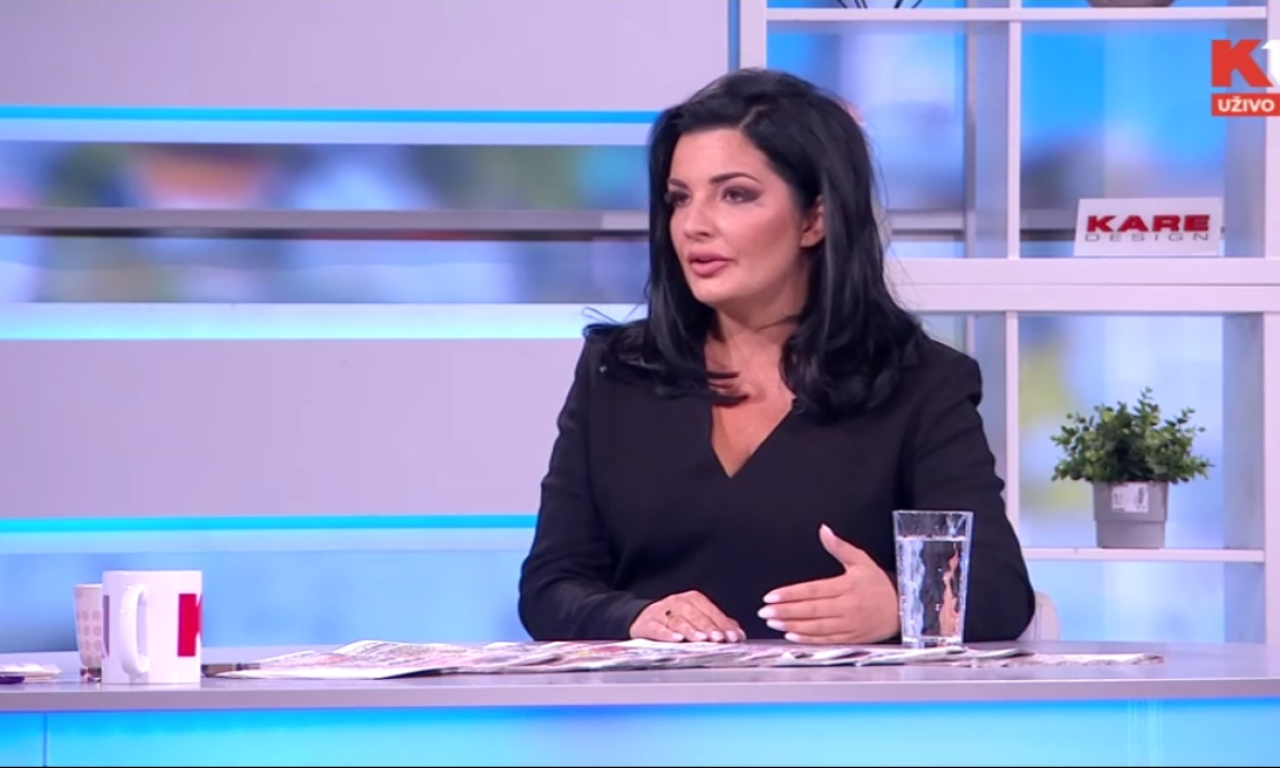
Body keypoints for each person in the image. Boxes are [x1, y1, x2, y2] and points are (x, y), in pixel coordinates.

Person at [517, 68, 1035, 645]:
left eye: (735, 195)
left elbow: (999, 590)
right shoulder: (618, 372)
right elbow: (550, 587)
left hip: (837, 702)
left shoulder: (918, 383)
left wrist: (899, 605)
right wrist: (632, 618)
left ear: (815, 218)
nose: (693, 225)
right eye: (679, 198)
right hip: (657, 700)